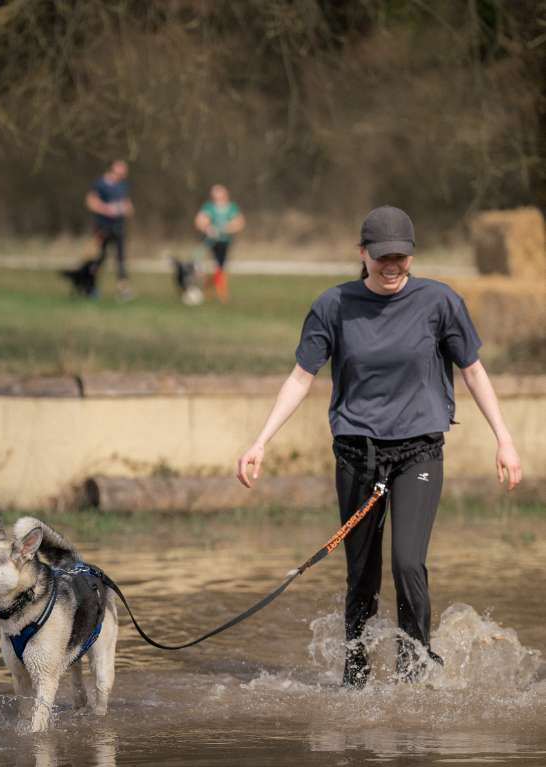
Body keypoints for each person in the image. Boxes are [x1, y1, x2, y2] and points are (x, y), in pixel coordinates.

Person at [236, 205, 522, 688]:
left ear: (412, 256)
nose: (392, 266)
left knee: (408, 562)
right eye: (383, 256)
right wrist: (260, 440)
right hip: (356, 454)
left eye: (401, 257)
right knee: (361, 576)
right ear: (363, 253)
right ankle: (357, 679)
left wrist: (505, 439)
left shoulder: (440, 302)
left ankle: (415, 676)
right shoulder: (333, 305)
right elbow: (300, 377)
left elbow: (473, 371)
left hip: (418, 452)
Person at [85, 159, 134, 301]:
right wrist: (106, 209)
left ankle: (123, 290)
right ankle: (91, 287)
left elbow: (127, 203)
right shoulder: (100, 184)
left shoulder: (123, 185)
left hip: (118, 227)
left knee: (121, 259)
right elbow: (90, 201)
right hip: (102, 227)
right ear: (113, 169)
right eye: (122, 170)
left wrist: (127, 209)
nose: (124, 174)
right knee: (99, 258)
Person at [194, 184, 245, 302]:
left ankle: (209, 286)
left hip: (225, 241)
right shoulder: (209, 207)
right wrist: (208, 229)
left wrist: (224, 229)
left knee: (220, 267)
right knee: (215, 265)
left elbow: (239, 223)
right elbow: (199, 221)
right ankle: (221, 293)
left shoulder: (231, 207)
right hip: (211, 241)